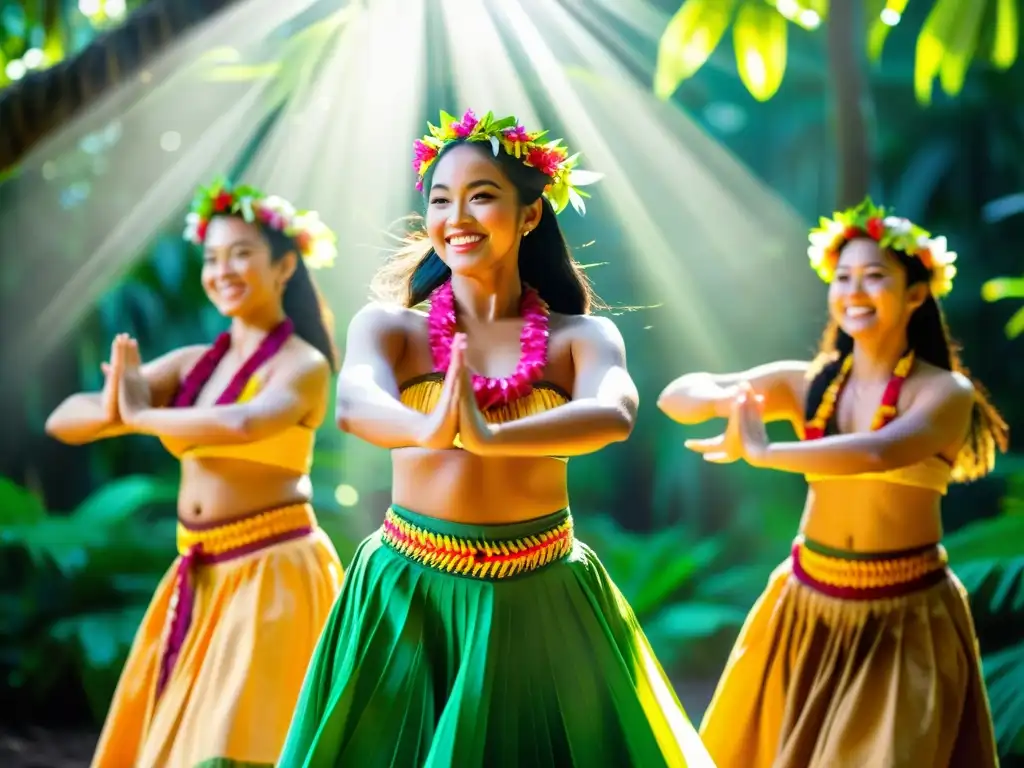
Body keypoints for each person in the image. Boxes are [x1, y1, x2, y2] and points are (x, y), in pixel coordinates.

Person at [277, 109, 715, 768]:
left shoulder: (581, 337)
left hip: (539, 591)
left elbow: (613, 411)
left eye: (481, 195)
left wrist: (485, 437)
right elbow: (356, 403)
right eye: (441, 198)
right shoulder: (393, 326)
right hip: (407, 592)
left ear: (530, 215)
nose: (457, 215)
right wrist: (430, 427)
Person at [659, 198, 1007, 768]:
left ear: (916, 294)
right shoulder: (810, 383)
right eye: (843, 277)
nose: (855, 291)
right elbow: (677, 396)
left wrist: (766, 452)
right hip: (806, 604)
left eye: (875, 277)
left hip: (904, 613)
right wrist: (729, 399)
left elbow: (877, 451)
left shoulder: (944, 392)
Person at [46, 180, 346, 768]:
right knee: (184, 743)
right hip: (203, 571)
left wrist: (142, 414)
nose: (222, 270)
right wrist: (116, 407)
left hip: (272, 571)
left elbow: (243, 423)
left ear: (285, 265)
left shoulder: (302, 365)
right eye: (212, 258)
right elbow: (64, 419)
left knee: (236, 741)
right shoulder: (193, 365)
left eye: (242, 254)